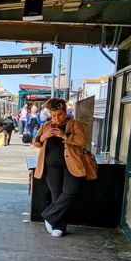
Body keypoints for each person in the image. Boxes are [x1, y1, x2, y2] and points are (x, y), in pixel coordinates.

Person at [32, 98, 95, 237]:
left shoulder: (75, 125)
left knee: (70, 192)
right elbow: (35, 142)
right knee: (56, 195)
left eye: (59, 115)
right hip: (50, 166)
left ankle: (48, 215)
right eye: (53, 115)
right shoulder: (47, 125)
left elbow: (83, 141)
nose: (56, 118)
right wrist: (43, 137)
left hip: (72, 165)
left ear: (65, 112)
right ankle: (59, 227)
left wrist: (64, 136)